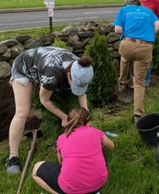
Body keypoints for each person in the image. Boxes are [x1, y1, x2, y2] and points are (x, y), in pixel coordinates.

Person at [6, 47, 94, 175]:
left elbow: (82, 94)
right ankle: (13, 157)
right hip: (24, 67)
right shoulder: (51, 76)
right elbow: (44, 100)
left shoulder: (81, 68)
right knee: (23, 112)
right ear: (69, 75)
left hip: (45, 64)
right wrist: (64, 117)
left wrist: (86, 114)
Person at [32, 107, 115, 194]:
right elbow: (111, 146)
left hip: (71, 189)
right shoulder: (96, 132)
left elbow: (61, 162)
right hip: (99, 184)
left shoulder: (62, 138)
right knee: (101, 148)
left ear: (68, 122)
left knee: (36, 168)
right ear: (89, 123)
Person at [114, 0, 159, 123]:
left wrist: (127, 32)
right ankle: (138, 115)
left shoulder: (125, 10)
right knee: (139, 83)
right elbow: (158, 26)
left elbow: (117, 29)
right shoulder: (149, 12)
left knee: (125, 57)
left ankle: (123, 82)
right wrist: (150, 34)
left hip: (128, 44)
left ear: (126, 4)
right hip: (145, 47)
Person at [136, 0, 159, 93]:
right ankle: (135, 83)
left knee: (145, 60)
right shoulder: (137, 0)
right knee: (134, 59)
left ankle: (146, 84)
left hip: (148, 35)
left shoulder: (156, 2)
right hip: (135, 33)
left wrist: (154, 29)